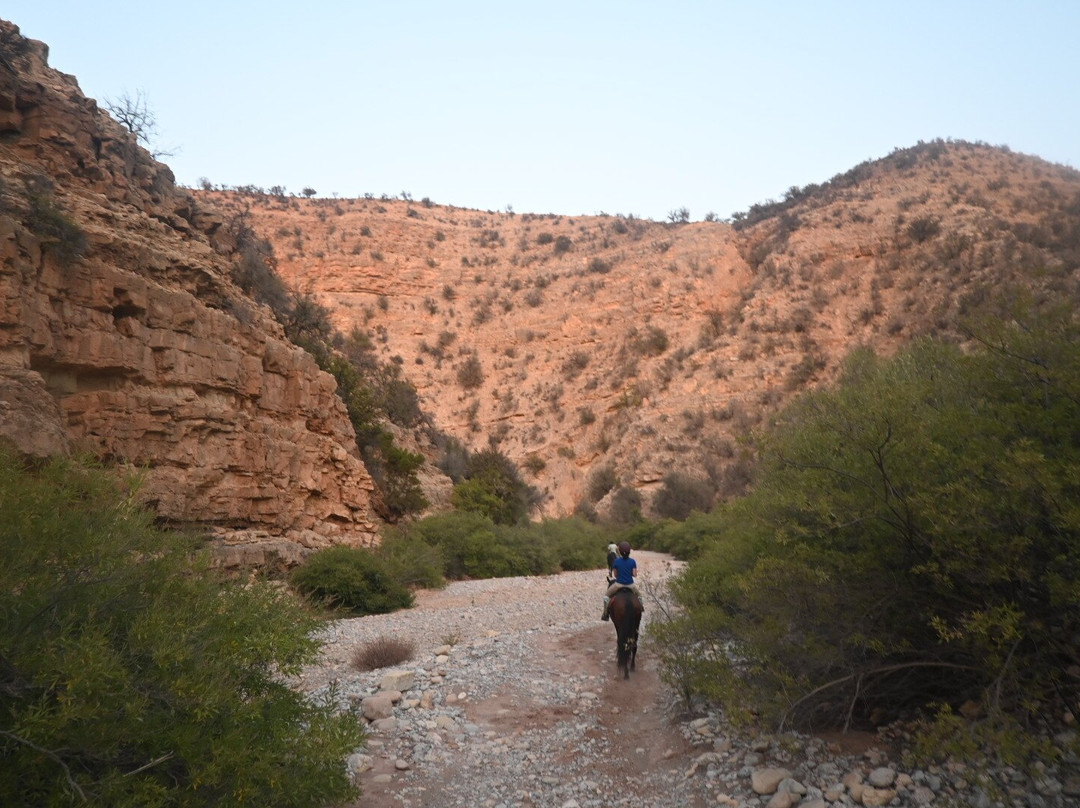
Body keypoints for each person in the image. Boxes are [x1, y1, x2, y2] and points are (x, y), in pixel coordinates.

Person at [601, 541, 640, 621]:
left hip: (618, 585)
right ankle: (641, 610)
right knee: (640, 596)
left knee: (606, 597)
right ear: (629, 552)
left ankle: (605, 614)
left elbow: (615, 575)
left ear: (621, 552)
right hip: (631, 585)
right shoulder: (632, 561)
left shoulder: (616, 561)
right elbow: (635, 574)